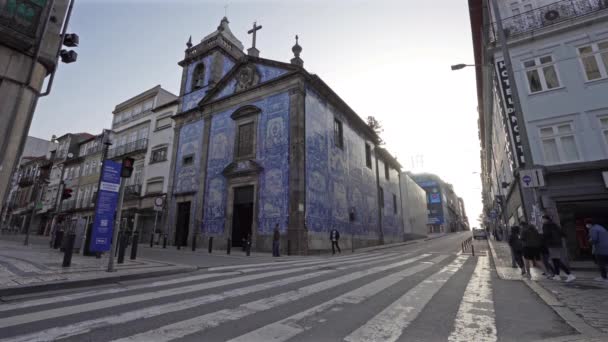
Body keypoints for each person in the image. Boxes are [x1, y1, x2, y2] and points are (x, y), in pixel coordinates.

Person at [542, 215, 576, 282]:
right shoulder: (555, 225)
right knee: (555, 260)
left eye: (542, 219)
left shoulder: (546, 225)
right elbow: (563, 233)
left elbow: (546, 235)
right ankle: (557, 275)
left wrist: (543, 239)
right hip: (558, 244)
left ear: (545, 219)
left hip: (551, 244)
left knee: (556, 260)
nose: (542, 221)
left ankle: (569, 275)